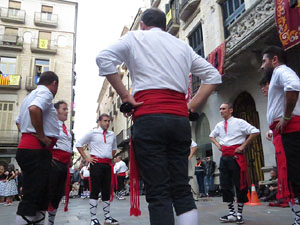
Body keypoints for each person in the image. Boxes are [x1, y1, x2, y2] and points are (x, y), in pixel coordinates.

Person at [96, 8, 221, 225]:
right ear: (164, 25)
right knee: (181, 187)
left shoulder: (136, 37)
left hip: (150, 118)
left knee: (158, 191)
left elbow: (103, 57)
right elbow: (213, 75)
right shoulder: (182, 45)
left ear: (142, 24)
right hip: (179, 119)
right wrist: (190, 106)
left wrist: (126, 95)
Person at [261, 46, 300, 225]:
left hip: (290, 130)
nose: (262, 66)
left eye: (264, 61)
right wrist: (273, 129)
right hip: (284, 131)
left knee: (294, 175)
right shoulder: (278, 74)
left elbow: (294, 86)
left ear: (274, 60)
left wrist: (285, 117)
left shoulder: (280, 71)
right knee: (291, 175)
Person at [15, 71, 59, 225]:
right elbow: (34, 109)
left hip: (35, 151)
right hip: (35, 150)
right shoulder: (45, 93)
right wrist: (40, 136)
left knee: (41, 197)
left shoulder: (28, 96)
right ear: (54, 83)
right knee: (32, 197)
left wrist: (29, 134)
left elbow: (18, 122)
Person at [210, 103, 260, 224]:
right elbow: (211, 136)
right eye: (220, 109)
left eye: (223, 109)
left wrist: (243, 146)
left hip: (236, 156)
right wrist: (218, 145)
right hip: (224, 157)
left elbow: (255, 131)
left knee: (240, 184)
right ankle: (231, 213)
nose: (221, 111)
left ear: (231, 110)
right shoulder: (219, 125)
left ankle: (239, 214)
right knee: (225, 185)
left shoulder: (239, 122)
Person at [76, 113, 119, 225]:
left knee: (106, 190)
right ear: (99, 122)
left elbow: (114, 149)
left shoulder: (112, 135)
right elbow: (78, 143)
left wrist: (107, 156)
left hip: (107, 165)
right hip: (96, 164)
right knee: (95, 190)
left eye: (109, 121)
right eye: (105, 121)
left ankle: (107, 217)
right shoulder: (92, 133)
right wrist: (87, 158)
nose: (107, 123)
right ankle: (93, 218)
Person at [47, 101, 73, 225]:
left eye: (67, 109)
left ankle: (50, 222)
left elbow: (67, 145)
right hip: (54, 162)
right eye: (64, 109)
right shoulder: (51, 124)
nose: (67, 111)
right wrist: (47, 155)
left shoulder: (66, 129)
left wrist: (70, 159)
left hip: (64, 164)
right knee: (49, 192)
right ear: (56, 111)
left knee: (57, 194)